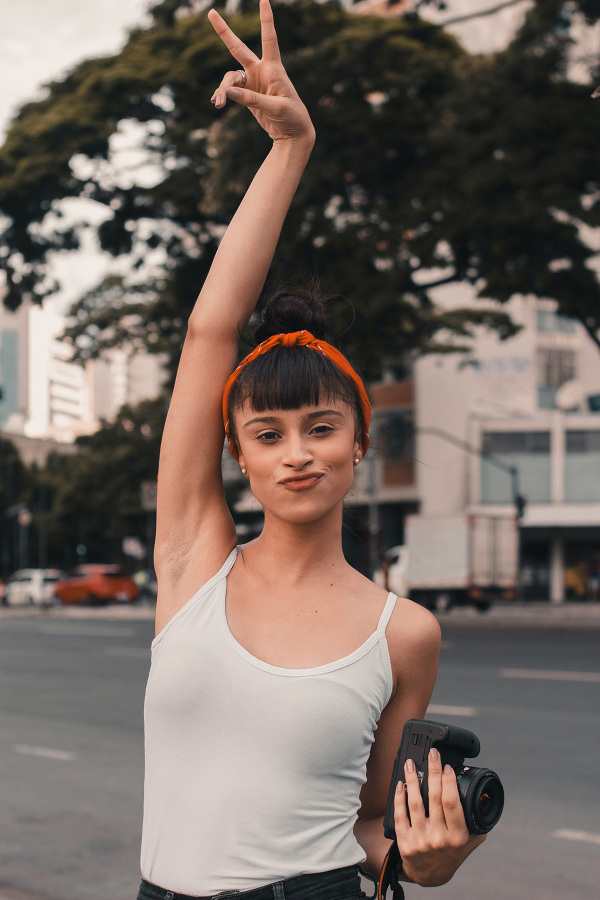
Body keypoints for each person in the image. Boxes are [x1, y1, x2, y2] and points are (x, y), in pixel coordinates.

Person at [137, 3, 486, 899]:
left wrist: (428, 862)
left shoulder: (403, 633)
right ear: (239, 456)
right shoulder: (192, 561)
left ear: (359, 445)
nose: (297, 453)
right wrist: (289, 149)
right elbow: (211, 333)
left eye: (321, 428)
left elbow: (370, 828)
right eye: (268, 434)